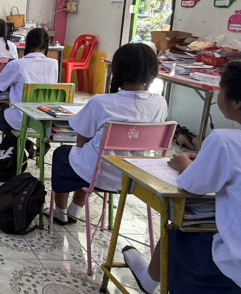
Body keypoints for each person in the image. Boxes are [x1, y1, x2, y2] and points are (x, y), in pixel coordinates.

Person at [121, 61, 241, 294]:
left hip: (232, 265)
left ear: (237, 102)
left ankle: (149, 279)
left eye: (221, 90)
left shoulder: (225, 140)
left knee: (178, 228)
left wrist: (184, 164)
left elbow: (192, 186)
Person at [50, 42, 167, 224]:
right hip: (135, 177)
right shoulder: (160, 103)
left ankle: (61, 212)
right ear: (153, 71)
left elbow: (81, 142)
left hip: (100, 174)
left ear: (116, 70)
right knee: (88, 157)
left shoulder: (100, 102)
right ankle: (75, 210)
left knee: (64, 155)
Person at [0, 27, 58, 139]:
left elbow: (0, 83)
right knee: (5, 111)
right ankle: (19, 143)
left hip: (22, 120)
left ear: (27, 43)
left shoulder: (17, 64)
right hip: (45, 119)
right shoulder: (54, 64)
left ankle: (15, 143)